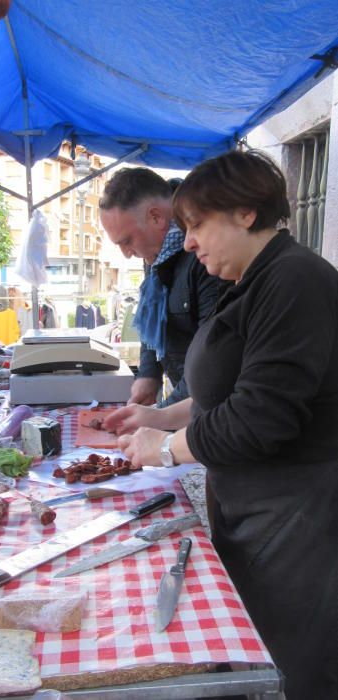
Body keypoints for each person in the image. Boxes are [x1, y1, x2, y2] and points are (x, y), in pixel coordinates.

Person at [103, 150, 338, 700]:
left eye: (196, 225)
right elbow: (224, 392)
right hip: (251, 501)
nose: (186, 242)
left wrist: (168, 448)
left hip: (296, 510)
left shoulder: (295, 280)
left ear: (245, 214)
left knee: (298, 658)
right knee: (257, 646)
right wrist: (162, 417)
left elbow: (258, 418)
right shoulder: (252, 280)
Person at [99, 167, 219, 407]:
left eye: (127, 241)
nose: (126, 254)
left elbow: (211, 362)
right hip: (189, 401)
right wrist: (148, 374)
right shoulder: (158, 252)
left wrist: (161, 415)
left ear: (156, 217)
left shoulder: (207, 258)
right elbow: (152, 316)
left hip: (206, 405)